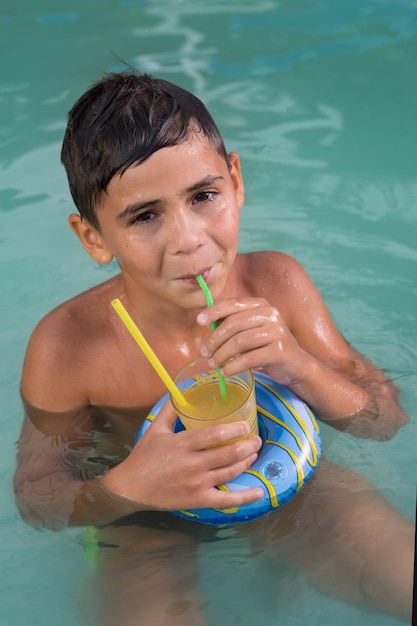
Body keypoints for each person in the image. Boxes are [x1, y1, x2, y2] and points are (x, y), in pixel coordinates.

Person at [14, 72, 414, 625]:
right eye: (145, 215)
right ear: (94, 238)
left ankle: (285, 555)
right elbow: (39, 499)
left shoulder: (277, 284)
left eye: (204, 196)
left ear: (236, 180)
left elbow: (385, 419)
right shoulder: (67, 347)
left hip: (283, 484)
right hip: (144, 525)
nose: (188, 239)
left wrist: (300, 367)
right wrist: (124, 489)